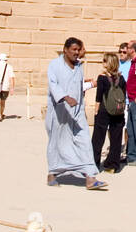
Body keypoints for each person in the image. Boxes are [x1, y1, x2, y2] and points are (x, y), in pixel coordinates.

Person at [45, 38, 107, 190]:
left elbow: (78, 86)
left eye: (79, 50)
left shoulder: (79, 66)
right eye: (74, 49)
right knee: (58, 143)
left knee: (84, 141)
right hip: (59, 113)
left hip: (77, 113)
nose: (77, 52)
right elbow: (54, 85)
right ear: (65, 49)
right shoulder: (54, 65)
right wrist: (66, 97)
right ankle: (53, 173)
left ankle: (90, 178)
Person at [92, 52, 125, 173]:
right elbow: (123, 94)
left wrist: (96, 110)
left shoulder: (102, 78)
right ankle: (113, 165)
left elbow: (99, 97)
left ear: (108, 63)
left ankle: (94, 164)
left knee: (98, 138)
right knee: (116, 137)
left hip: (104, 110)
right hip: (118, 110)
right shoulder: (121, 78)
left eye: (104, 61)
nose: (103, 63)